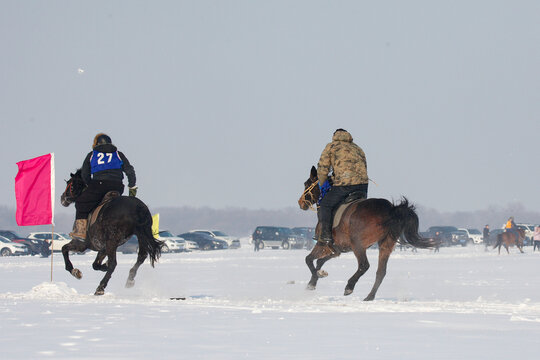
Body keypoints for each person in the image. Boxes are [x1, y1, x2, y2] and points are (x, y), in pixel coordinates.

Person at [70, 133, 137, 241]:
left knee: (81, 202)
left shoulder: (92, 155)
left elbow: (85, 174)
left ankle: (81, 231)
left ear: (96, 144)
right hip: (117, 186)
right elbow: (130, 170)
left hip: (99, 185)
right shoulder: (119, 154)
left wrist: (89, 185)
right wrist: (132, 186)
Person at [317, 129, 368, 245]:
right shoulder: (357, 148)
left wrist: (323, 184)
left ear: (334, 136)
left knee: (325, 204)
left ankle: (325, 235)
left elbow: (322, 169)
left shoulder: (331, 146)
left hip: (345, 185)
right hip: (363, 186)